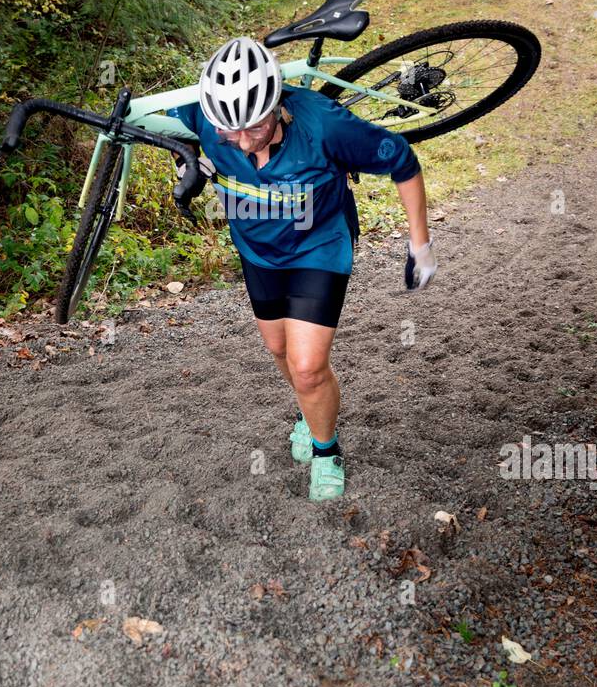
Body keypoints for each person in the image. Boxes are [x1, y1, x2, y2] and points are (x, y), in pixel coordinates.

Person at [168, 36, 436, 502]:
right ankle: (307, 412)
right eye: (230, 133)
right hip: (257, 252)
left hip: (320, 246)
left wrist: (420, 243)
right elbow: (141, 122)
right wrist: (191, 155)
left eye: (254, 126)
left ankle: (326, 449)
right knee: (279, 350)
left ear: (278, 105)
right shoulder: (209, 119)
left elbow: (403, 161)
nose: (244, 141)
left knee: (308, 366)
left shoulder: (324, 125)